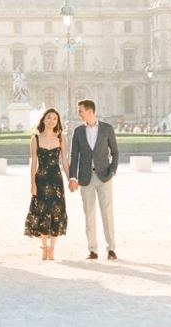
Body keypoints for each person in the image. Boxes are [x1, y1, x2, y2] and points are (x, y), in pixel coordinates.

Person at [68, 99, 118, 260]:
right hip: (85, 177)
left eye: (80, 110)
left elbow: (115, 152)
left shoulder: (107, 129)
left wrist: (112, 171)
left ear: (90, 111)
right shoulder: (78, 131)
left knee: (106, 213)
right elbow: (74, 155)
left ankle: (111, 248)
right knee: (88, 214)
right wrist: (72, 177)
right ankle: (93, 249)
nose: (78, 113)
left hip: (104, 176)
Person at [24, 108, 68, 261]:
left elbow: (65, 162)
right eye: (49, 118)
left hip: (56, 180)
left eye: (55, 119)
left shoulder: (61, 138)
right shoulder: (35, 139)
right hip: (41, 180)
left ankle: (52, 249)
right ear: (43, 120)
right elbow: (34, 163)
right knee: (43, 212)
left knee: (56, 213)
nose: (52, 121)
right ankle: (44, 248)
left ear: (58, 122)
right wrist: (32, 184)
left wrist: (71, 180)